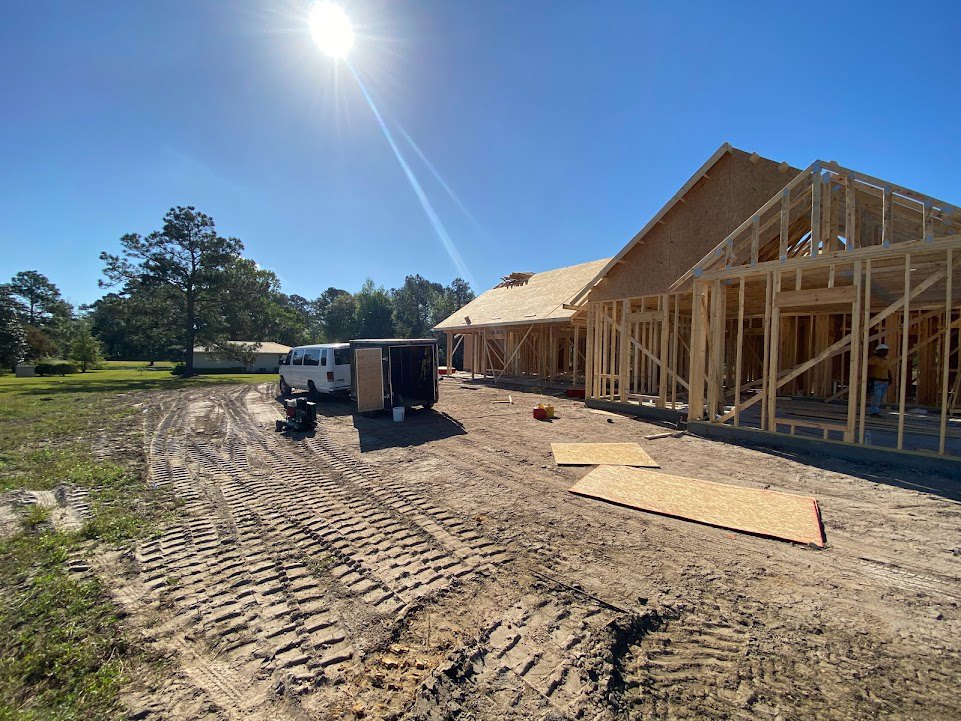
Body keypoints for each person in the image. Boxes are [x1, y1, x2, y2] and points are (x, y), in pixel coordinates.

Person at [866, 343, 893, 417]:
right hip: (877, 381)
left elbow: (887, 370)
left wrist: (890, 378)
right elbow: (869, 369)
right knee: (876, 397)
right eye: (884, 351)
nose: (886, 352)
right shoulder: (873, 359)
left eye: (886, 351)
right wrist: (869, 380)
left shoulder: (885, 360)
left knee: (880, 397)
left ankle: (876, 411)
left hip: (885, 381)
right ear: (879, 351)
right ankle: (874, 412)